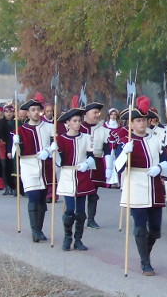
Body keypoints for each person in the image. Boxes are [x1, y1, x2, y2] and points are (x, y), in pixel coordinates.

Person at [115, 98, 167, 275]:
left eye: (144, 120)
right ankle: (145, 262)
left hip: (154, 184)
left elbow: (166, 161)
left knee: (155, 229)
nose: (142, 123)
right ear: (131, 124)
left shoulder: (156, 139)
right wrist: (125, 152)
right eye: (138, 120)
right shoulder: (125, 142)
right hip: (135, 183)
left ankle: (145, 253)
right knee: (140, 224)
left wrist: (160, 167)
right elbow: (117, 166)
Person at [11, 94, 54, 242]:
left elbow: (56, 145)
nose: (36, 112)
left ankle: (40, 229)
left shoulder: (48, 127)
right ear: (28, 113)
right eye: (33, 110)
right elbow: (15, 154)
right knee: (34, 197)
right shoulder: (21, 130)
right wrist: (15, 143)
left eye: (38, 110)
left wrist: (48, 151)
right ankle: (34, 230)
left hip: (45, 166)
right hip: (29, 165)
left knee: (42, 199)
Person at [54, 105, 95, 251]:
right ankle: (67, 237)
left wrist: (87, 164)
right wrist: (55, 150)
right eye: (75, 121)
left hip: (82, 174)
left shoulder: (86, 137)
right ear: (68, 123)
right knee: (70, 209)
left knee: (81, 211)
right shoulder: (61, 139)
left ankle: (78, 239)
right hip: (67, 174)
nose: (78, 123)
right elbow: (60, 161)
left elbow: (91, 157)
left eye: (79, 120)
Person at [80, 101, 108, 228]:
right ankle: (78, 216)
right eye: (94, 112)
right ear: (87, 114)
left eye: (98, 113)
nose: (97, 115)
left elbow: (107, 149)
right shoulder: (79, 128)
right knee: (79, 192)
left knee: (93, 193)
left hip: (96, 163)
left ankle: (91, 219)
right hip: (81, 162)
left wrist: (109, 167)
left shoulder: (103, 131)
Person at [0, 105, 17, 195]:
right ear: (4, 113)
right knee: (4, 167)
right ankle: (7, 186)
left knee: (14, 167)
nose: (9, 114)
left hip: (14, 148)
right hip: (2, 148)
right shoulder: (0, 123)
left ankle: (15, 186)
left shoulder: (16, 122)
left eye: (10, 111)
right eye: (7, 112)